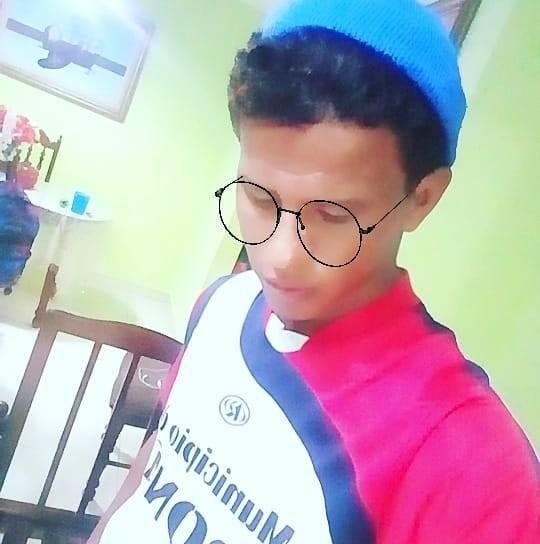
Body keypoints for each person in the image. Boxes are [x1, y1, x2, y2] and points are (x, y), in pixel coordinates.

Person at [88, 0, 540, 542]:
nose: (279, 257)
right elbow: (155, 463)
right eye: (258, 199)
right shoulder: (225, 303)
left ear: (421, 198)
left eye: (332, 216)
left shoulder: (471, 468)